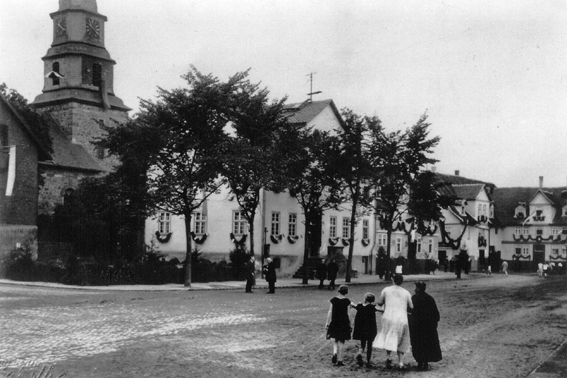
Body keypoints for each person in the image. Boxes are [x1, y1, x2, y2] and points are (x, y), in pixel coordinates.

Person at [373, 274, 414, 371]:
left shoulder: (386, 290)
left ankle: (388, 357)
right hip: (401, 318)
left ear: (393, 280)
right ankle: (401, 362)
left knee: (389, 337)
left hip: (388, 317)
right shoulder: (406, 292)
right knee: (401, 339)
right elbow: (411, 307)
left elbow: (379, 302)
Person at [409, 281, 442, 371]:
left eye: (415, 287)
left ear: (418, 289)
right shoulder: (429, 298)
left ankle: (420, 362)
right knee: (427, 344)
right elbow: (435, 314)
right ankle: (426, 362)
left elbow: (410, 311)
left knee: (417, 344)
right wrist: (433, 325)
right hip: (428, 327)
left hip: (417, 326)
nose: (414, 289)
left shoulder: (414, 298)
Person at [351, 292, 382, 367]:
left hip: (361, 329)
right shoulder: (372, 307)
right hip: (370, 329)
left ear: (365, 299)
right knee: (369, 346)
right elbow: (381, 310)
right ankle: (368, 361)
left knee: (362, 344)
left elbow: (353, 305)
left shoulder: (359, 306)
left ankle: (360, 353)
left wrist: (351, 303)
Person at [325, 285, 351, 367]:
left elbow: (330, 311)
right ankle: (340, 359)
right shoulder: (347, 301)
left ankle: (334, 352)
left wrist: (327, 322)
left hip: (335, 321)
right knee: (342, 340)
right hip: (344, 322)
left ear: (339, 291)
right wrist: (350, 323)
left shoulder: (333, 300)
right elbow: (348, 313)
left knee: (335, 339)